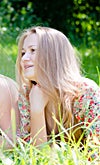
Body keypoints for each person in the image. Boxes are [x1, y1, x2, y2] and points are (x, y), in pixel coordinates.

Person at [16, 26, 99, 158]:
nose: (24, 58)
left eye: (32, 51)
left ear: (53, 55)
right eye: (23, 53)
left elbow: (97, 152)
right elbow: (34, 157)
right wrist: (37, 111)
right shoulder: (27, 94)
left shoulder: (85, 92)